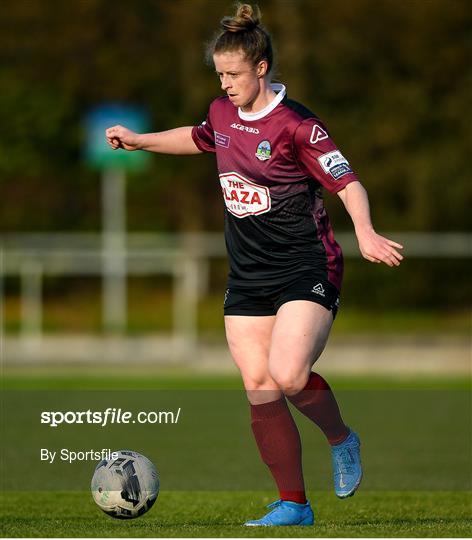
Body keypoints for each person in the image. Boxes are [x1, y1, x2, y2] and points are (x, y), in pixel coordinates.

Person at [105, 3, 403, 527]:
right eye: (220, 75)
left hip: (306, 265)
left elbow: (347, 182)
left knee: (290, 375)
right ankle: (294, 505)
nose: (225, 84)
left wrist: (365, 230)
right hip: (247, 274)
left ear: (261, 68)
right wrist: (140, 141)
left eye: (234, 74)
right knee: (259, 385)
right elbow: (200, 137)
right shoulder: (222, 114)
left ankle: (341, 437)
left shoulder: (298, 126)